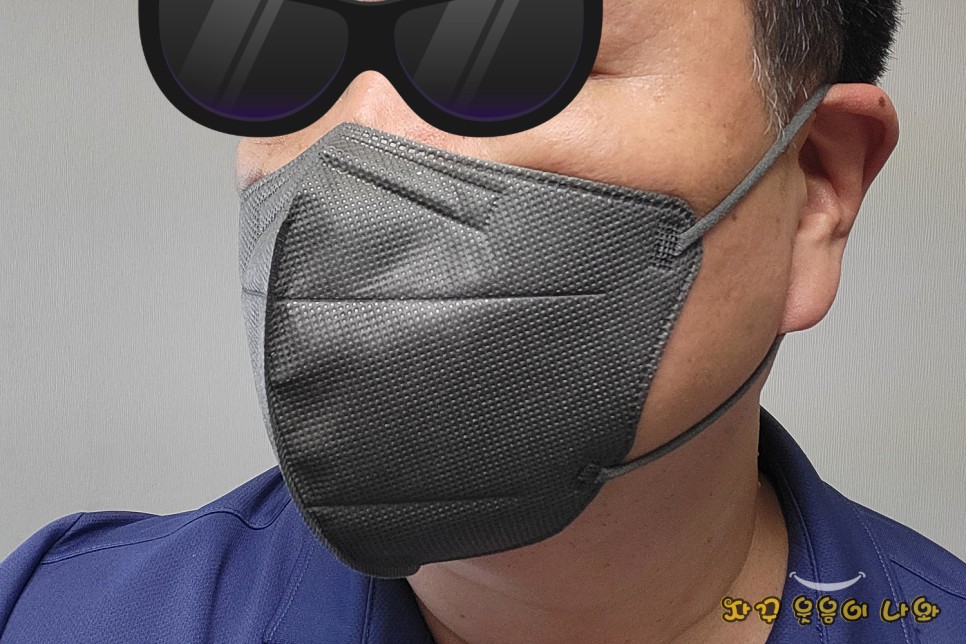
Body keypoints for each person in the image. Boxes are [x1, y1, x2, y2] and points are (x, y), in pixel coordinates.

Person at [2, 0, 964, 642]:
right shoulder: (52, 617)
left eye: (503, 38)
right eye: (274, 40)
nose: (353, 140)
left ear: (816, 191)